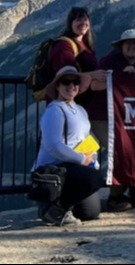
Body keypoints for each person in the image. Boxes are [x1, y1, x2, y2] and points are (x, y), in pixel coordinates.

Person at [33, 66, 104, 226]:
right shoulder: (54, 110)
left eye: (75, 82)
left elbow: (87, 140)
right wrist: (81, 160)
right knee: (95, 178)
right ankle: (54, 207)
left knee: (90, 213)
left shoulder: (81, 110)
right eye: (66, 82)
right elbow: (53, 145)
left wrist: (93, 161)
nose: (71, 86)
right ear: (57, 86)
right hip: (56, 168)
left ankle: (65, 206)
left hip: (74, 167)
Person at [89, 29, 135, 212]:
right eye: (128, 43)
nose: (132, 47)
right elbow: (94, 85)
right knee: (119, 151)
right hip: (102, 118)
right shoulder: (108, 62)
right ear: (121, 47)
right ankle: (115, 196)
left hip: (126, 120)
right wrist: (118, 77)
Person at [49, 7, 107, 106]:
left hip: (82, 103)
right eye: (78, 19)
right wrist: (93, 75)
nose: (83, 23)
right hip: (67, 104)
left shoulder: (85, 45)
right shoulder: (63, 45)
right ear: (70, 23)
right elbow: (65, 75)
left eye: (85, 19)